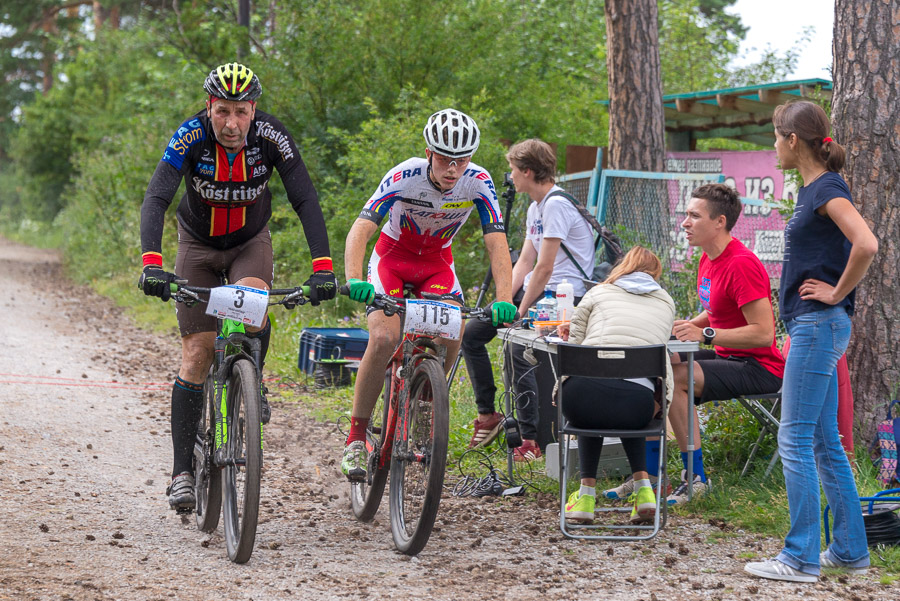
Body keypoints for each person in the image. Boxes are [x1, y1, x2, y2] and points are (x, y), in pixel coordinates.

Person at [138, 63, 337, 511]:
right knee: (197, 354)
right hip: (198, 246)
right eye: (222, 112)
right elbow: (157, 196)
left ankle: (252, 377)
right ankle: (182, 472)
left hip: (249, 242)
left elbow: (304, 197)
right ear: (209, 107)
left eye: (241, 113)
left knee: (251, 312)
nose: (231, 124)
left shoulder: (272, 136)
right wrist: (152, 263)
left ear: (254, 110)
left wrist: (322, 267)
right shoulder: (189, 136)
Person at [340, 109, 516, 481]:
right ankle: (356, 436)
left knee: (453, 331)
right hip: (392, 259)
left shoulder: (479, 182)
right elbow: (360, 230)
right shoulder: (404, 176)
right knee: (385, 336)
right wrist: (355, 278)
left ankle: (425, 399)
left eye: (462, 160)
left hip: (436, 264)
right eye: (444, 159)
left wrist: (505, 298)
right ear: (428, 152)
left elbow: (497, 241)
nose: (453, 169)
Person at [745, 101, 876, 582]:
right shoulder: (813, 190)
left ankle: (798, 557)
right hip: (816, 325)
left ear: (792, 140)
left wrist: (837, 292)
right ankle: (849, 551)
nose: (773, 146)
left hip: (819, 324)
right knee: (823, 443)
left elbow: (867, 243)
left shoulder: (825, 188)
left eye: (776, 137)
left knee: (794, 437)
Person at [607, 183, 785, 505]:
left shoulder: (741, 264)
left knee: (676, 378)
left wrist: (706, 335)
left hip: (760, 367)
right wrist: (691, 324)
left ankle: (696, 479)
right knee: (654, 369)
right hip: (728, 356)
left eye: (693, 216)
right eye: (685, 215)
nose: (685, 223)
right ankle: (646, 478)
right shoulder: (708, 258)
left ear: (719, 222)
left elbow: (763, 333)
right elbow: (717, 308)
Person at [460, 138, 595, 461]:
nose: (510, 177)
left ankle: (529, 438)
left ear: (528, 171)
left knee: (516, 347)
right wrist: (504, 299)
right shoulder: (536, 206)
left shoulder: (556, 205)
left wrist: (519, 312)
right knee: (473, 333)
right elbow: (525, 262)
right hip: (540, 292)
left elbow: (546, 267)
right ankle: (488, 413)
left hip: (566, 295)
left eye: (513, 170)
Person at [558, 246, 675, 524]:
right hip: (636, 403)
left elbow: (574, 345)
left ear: (621, 268)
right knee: (624, 404)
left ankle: (585, 497)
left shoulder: (598, 292)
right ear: (655, 274)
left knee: (593, 405)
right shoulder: (666, 301)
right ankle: (645, 492)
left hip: (581, 398)